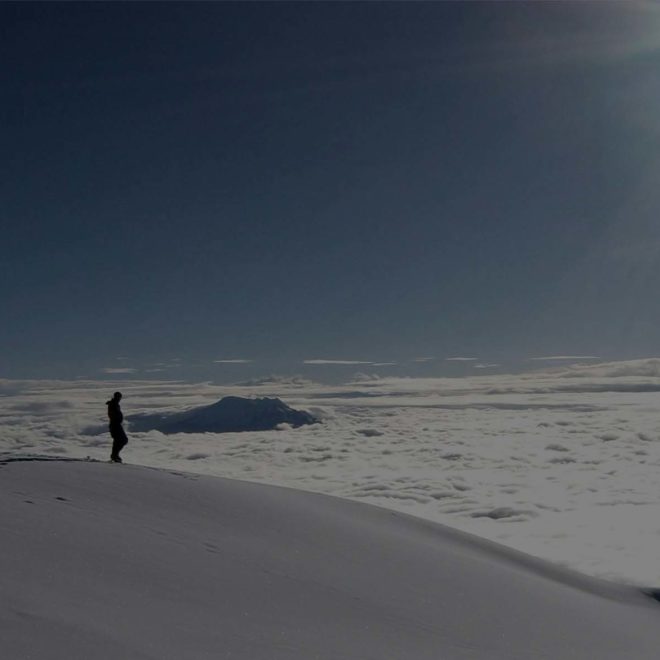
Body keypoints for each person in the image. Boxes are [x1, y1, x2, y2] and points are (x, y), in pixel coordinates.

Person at [107, 391, 128, 463]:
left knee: (119, 440)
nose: (119, 399)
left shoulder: (115, 404)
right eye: (119, 397)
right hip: (115, 425)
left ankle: (115, 455)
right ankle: (114, 455)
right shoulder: (113, 404)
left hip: (116, 425)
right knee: (122, 440)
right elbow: (112, 415)